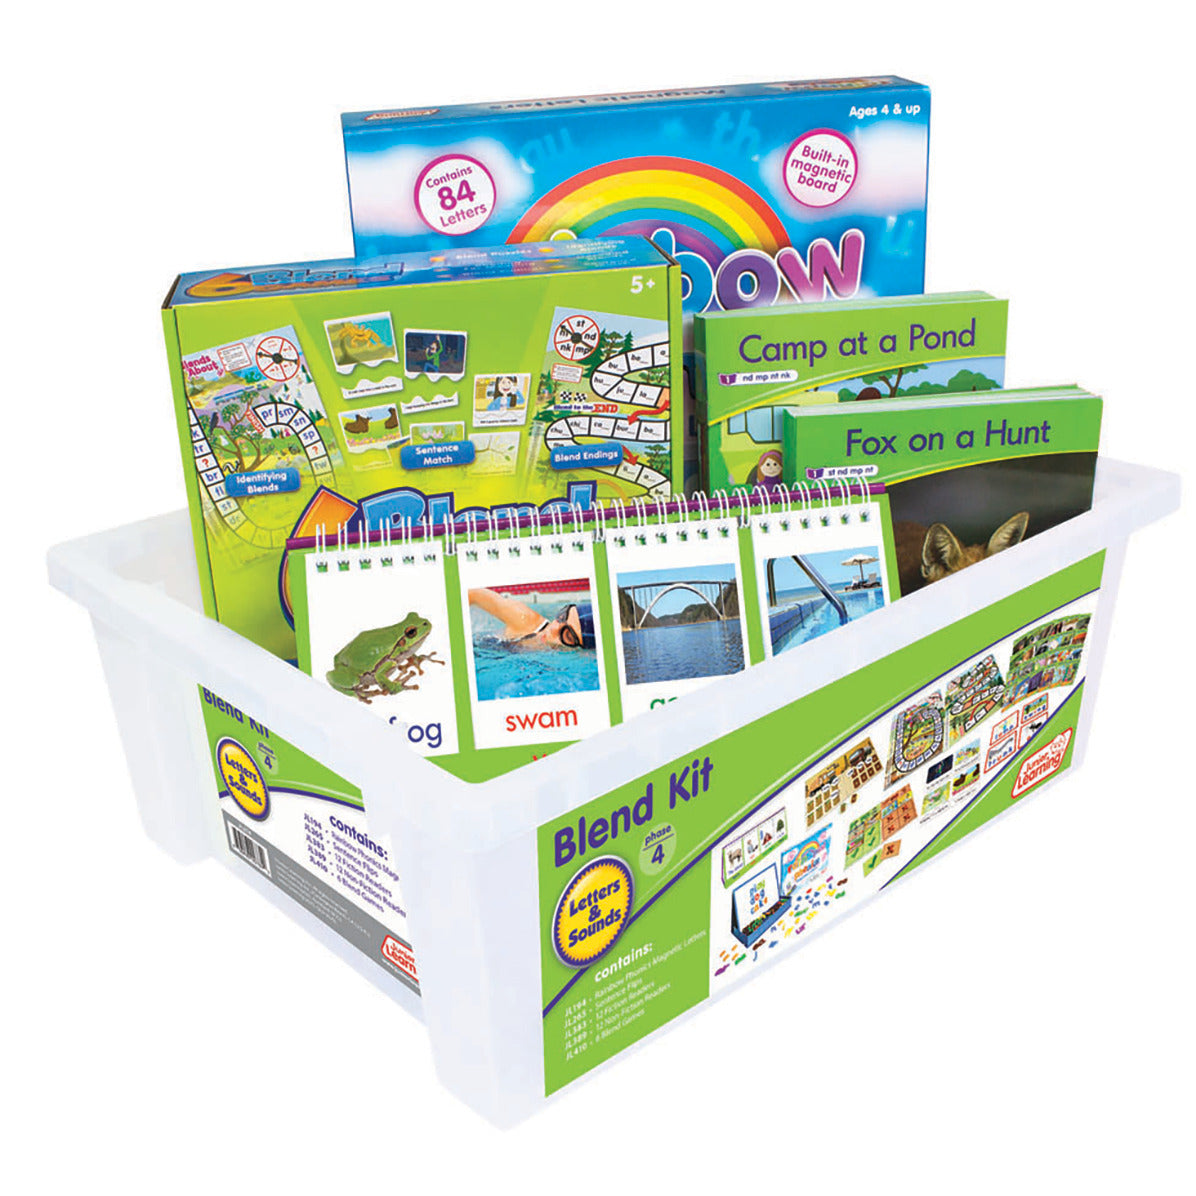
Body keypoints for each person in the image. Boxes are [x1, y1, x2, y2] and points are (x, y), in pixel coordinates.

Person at [468, 588, 595, 649]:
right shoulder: (523, 619)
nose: (553, 628)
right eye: (562, 617)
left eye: (567, 635)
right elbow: (472, 594)